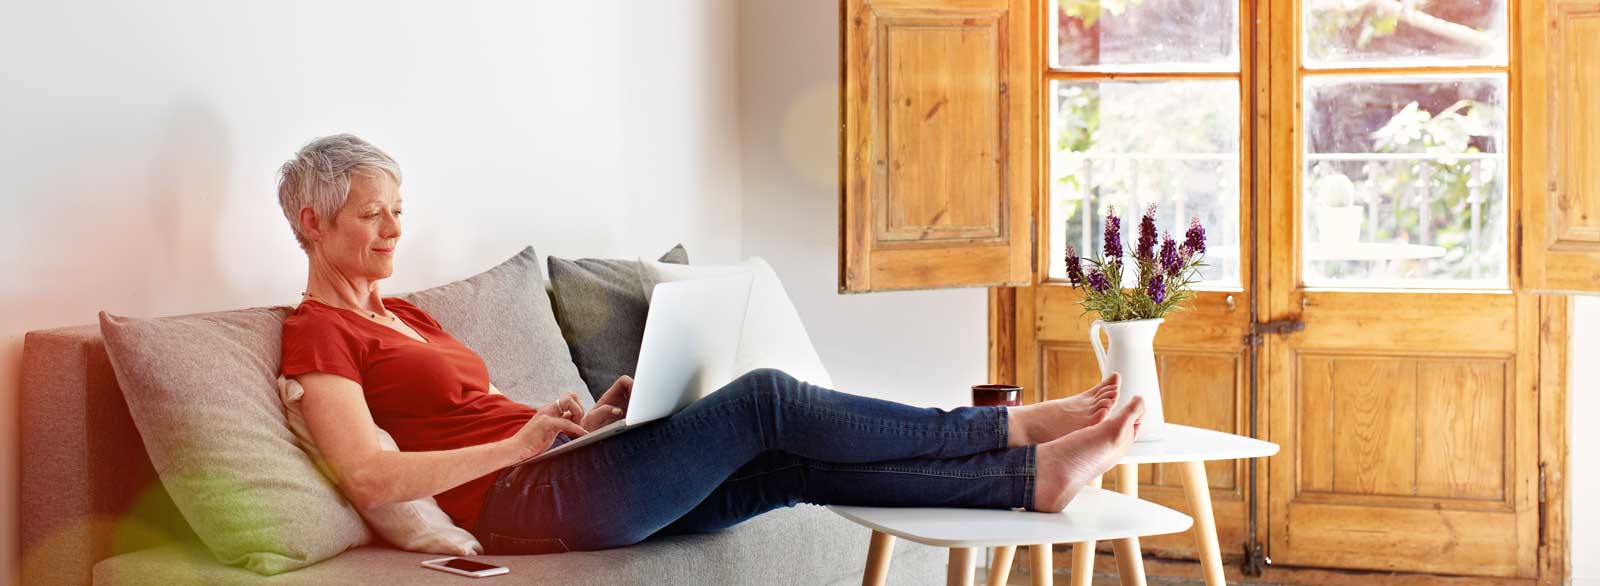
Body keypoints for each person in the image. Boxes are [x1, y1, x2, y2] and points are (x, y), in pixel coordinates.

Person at [276, 134, 1145, 555]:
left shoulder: (408, 317)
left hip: (557, 467)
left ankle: (1032, 481)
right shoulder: (318, 332)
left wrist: (570, 421)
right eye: (369, 213)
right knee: (767, 399)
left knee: (790, 467)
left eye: (398, 207)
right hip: (522, 501)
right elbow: (369, 476)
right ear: (313, 225)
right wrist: (519, 444)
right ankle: (1007, 429)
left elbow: (457, 416)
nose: (394, 228)